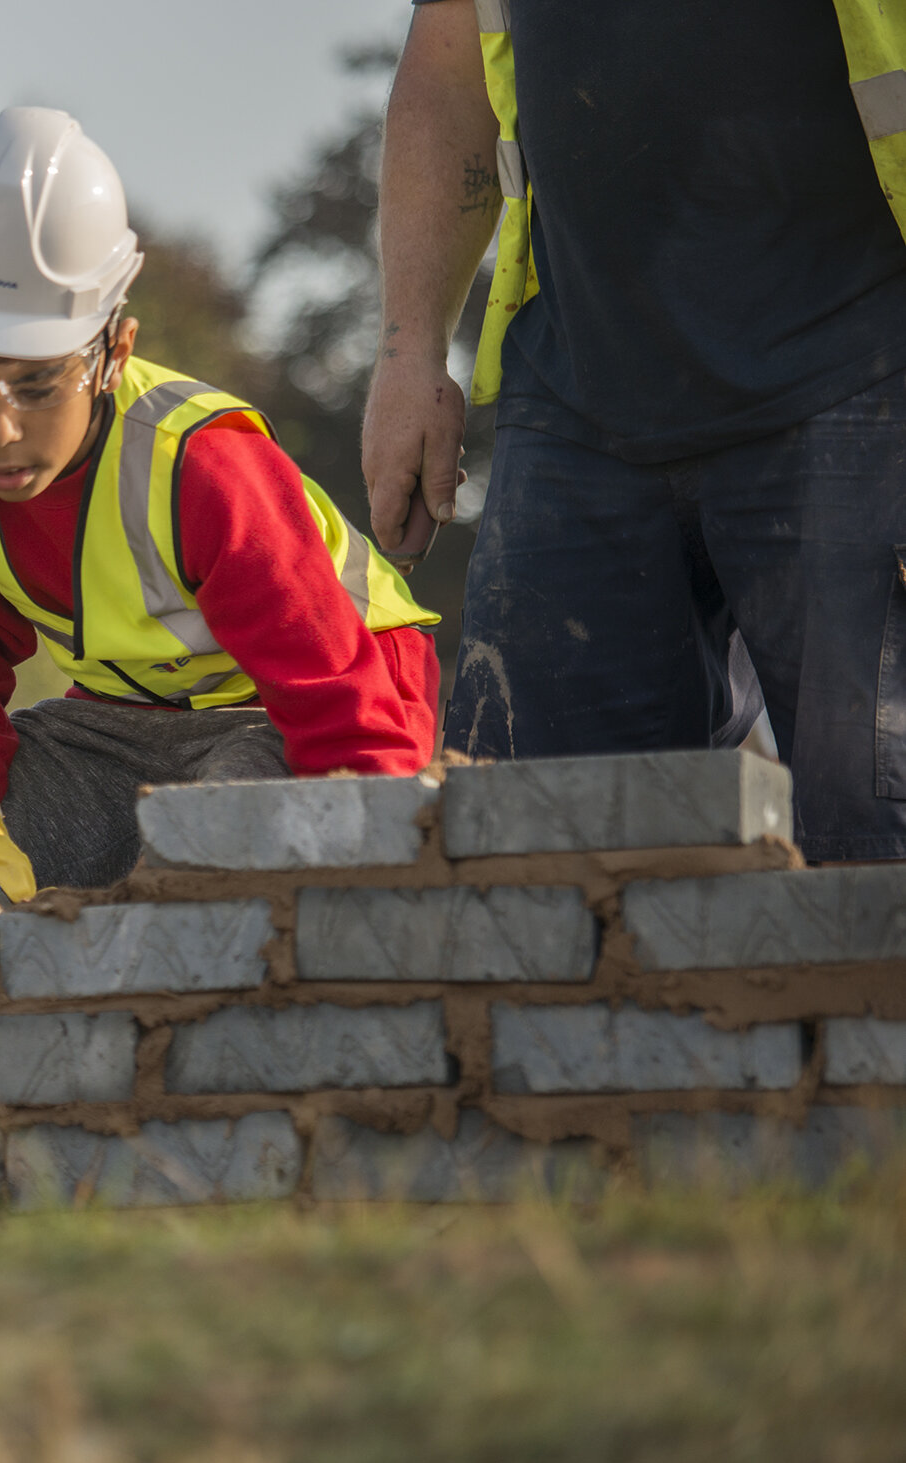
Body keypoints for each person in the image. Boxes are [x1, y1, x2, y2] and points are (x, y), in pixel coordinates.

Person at [0, 109, 440, 904]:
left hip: (310, 707)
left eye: (37, 384)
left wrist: (374, 869)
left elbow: (339, 710)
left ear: (114, 351)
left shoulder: (202, 467)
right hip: (120, 720)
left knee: (194, 876)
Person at [367, 0, 906, 861]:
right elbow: (445, 73)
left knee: (875, 845)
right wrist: (408, 350)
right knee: (526, 845)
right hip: (579, 391)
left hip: (858, 373)